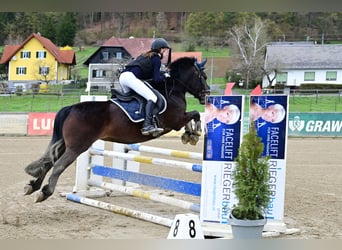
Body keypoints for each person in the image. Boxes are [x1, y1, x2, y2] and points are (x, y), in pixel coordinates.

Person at [119, 38, 171, 136]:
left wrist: (162, 73)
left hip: (123, 77)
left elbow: (149, 73)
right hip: (131, 78)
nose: (165, 52)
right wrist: (165, 76)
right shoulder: (156, 59)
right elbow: (155, 79)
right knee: (152, 97)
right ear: (160, 49)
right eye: (164, 49)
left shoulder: (145, 55)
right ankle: (147, 125)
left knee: (137, 99)